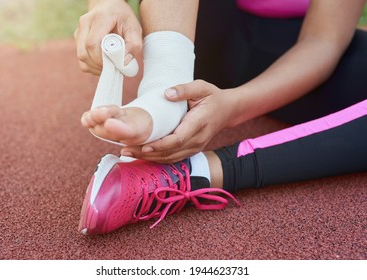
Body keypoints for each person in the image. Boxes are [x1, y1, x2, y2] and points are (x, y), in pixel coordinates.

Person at [75, 0, 367, 234]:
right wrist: (105, 3)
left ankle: (193, 173)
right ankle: (163, 93)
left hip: (293, 53)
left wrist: (233, 106)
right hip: (200, 31)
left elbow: (322, 41)